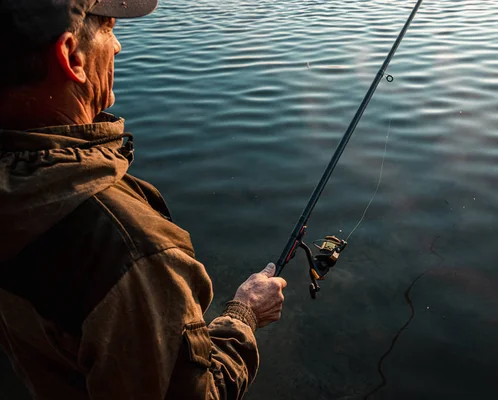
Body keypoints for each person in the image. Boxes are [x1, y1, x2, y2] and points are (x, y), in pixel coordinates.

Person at [0, 0, 287, 399]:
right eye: (108, 28)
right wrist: (244, 314)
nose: (117, 47)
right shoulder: (130, 250)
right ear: (71, 57)